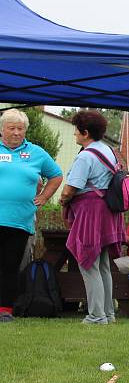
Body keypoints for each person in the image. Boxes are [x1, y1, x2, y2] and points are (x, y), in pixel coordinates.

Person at [59, 110, 126, 324]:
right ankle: (108, 313)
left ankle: (96, 315)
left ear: (85, 132)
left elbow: (72, 187)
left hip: (90, 211)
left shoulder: (86, 155)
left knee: (87, 262)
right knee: (103, 264)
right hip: (108, 211)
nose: (75, 135)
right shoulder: (109, 151)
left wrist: (63, 200)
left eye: (76, 131)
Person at [0, 109, 62, 322]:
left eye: (21, 128)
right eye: (12, 128)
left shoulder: (36, 152)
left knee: (10, 265)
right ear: (2, 130)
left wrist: (44, 197)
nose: (17, 133)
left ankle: (5, 310)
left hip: (19, 219)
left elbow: (56, 175)